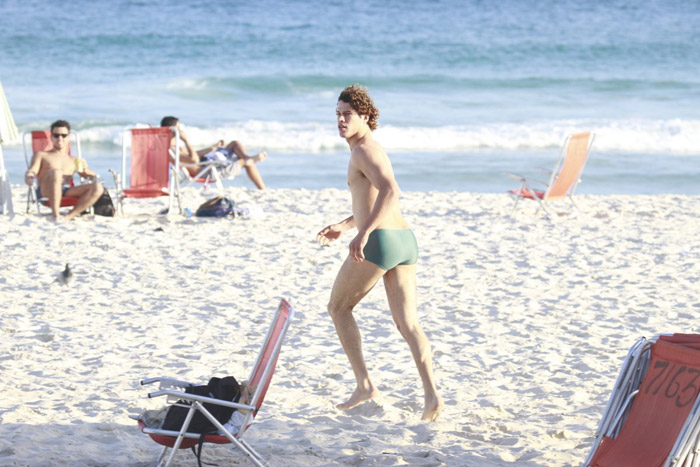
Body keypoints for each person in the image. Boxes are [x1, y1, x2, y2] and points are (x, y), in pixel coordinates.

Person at [316, 84, 443, 422]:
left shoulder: (362, 151)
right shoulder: (371, 148)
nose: (341, 121)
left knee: (338, 308)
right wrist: (345, 225)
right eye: (338, 115)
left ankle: (365, 384)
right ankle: (431, 396)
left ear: (366, 117)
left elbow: (391, 191)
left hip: (382, 241)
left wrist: (365, 233)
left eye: (348, 115)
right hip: (403, 240)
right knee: (408, 324)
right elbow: (374, 200)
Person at [25, 120, 104, 221]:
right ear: (51, 137)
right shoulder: (42, 155)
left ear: (68, 137)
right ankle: (56, 215)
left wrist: (86, 169)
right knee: (56, 173)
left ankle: (69, 216)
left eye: (64, 135)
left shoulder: (73, 159)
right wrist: (29, 177)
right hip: (45, 190)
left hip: (66, 190)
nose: (60, 138)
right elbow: (32, 170)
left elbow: (91, 176)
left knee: (98, 187)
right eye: (56, 135)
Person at [160, 116, 268, 190]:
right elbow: (194, 160)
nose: (182, 130)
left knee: (235, 144)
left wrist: (213, 148)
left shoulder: (175, 146)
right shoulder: (171, 149)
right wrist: (186, 140)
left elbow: (194, 155)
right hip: (207, 171)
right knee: (243, 162)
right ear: (173, 130)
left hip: (207, 163)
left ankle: (249, 159)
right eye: (179, 128)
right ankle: (262, 187)